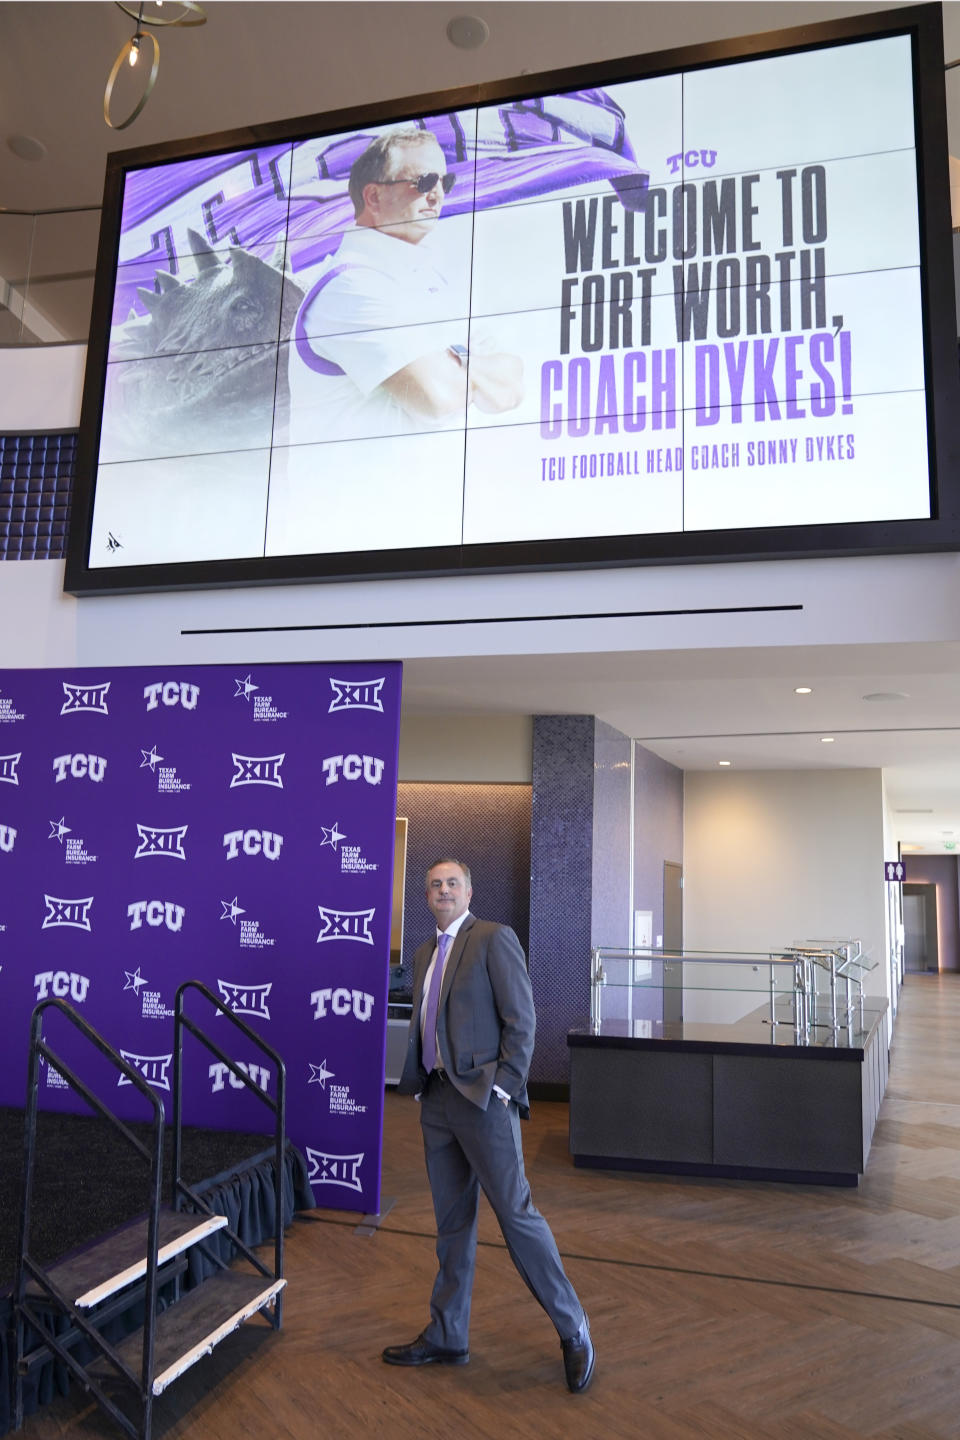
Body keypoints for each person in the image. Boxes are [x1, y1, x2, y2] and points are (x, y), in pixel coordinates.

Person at [382, 858, 595, 1394]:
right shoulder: (425, 952)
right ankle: (449, 1334)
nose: (443, 890)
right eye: (434, 885)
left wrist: (502, 1090)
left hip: (483, 1104)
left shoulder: (493, 939)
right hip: (436, 1103)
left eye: (452, 882)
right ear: (426, 896)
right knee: (452, 1226)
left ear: (469, 890)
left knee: (517, 1218)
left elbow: (522, 1022)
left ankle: (574, 1329)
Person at [288, 126, 523, 444]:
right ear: (373, 196)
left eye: (445, 182)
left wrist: (451, 361)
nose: (437, 194)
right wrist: (475, 366)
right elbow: (435, 401)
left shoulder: (429, 278)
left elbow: (513, 383)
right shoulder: (348, 288)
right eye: (424, 181)